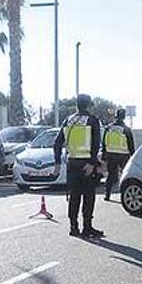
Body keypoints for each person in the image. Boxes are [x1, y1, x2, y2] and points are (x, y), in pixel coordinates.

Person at [54, 94, 105, 238]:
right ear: (88, 105)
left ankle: (73, 227)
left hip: (72, 164)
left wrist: (57, 162)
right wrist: (92, 163)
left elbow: (57, 143)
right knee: (88, 197)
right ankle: (87, 227)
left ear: (77, 105)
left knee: (74, 197)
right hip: (86, 165)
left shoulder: (68, 121)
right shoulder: (92, 120)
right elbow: (95, 145)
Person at [102, 108, 136, 201]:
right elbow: (131, 145)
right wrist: (133, 157)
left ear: (115, 116)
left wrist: (104, 156)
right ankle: (124, 196)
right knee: (125, 175)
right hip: (123, 155)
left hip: (111, 155)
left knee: (110, 175)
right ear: (124, 117)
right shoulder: (126, 129)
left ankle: (107, 195)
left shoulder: (108, 128)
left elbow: (104, 142)